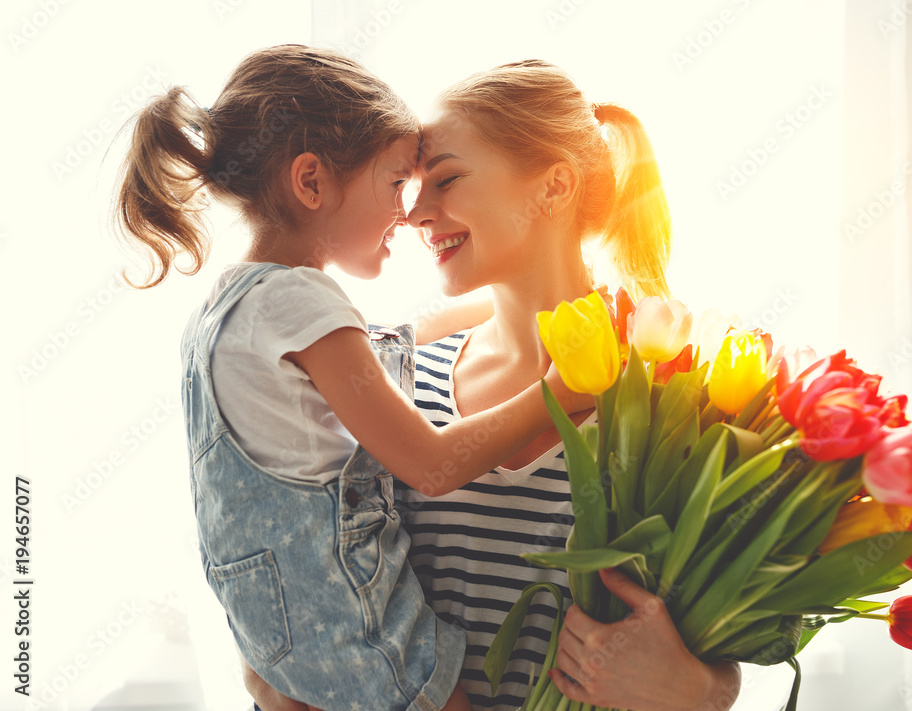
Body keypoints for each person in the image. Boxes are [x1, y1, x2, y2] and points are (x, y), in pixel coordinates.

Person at [244, 60, 741, 711]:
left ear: (555, 186)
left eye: (446, 179)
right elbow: (312, 569)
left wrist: (696, 690)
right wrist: (273, 675)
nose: (415, 212)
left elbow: (715, 634)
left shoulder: (672, 396)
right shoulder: (396, 375)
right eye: (416, 186)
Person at [113, 45, 590, 711]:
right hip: (357, 633)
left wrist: (515, 300)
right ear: (310, 183)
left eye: (437, 182)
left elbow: (384, 346)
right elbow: (429, 461)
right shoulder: (306, 305)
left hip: (285, 637)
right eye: (398, 183)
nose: (410, 209)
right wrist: (560, 395)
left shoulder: (232, 308)